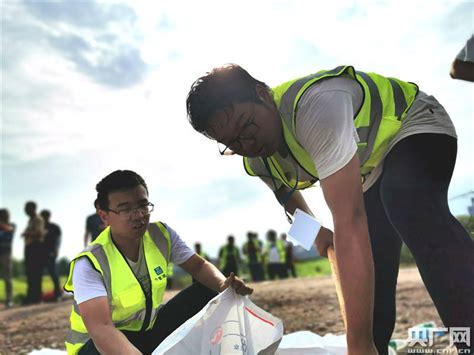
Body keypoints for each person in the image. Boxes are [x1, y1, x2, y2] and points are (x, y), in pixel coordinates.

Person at [186, 64, 474, 354]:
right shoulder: (257, 159)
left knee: (406, 202)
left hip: (415, 123)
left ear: (263, 95)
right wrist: (318, 236)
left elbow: (349, 220)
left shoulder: (315, 107)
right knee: (374, 259)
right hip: (372, 170)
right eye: (231, 144)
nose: (246, 145)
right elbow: (288, 201)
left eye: (246, 127)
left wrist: (356, 343)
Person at [64, 170, 252, 355]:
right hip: (98, 347)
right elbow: (101, 329)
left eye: (143, 205)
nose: (138, 215)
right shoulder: (90, 263)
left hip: (145, 332)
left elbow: (199, 266)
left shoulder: (160, 235)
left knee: (208, 290)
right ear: (104, 216)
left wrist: (223, 285)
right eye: (125, 209)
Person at [22, 201, 46, 305]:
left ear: (32, 209)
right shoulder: (30, 220)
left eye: (27, 208)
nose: (25, 210)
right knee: (30, 272)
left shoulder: (38, 219)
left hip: (36, 247)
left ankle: (37, 297)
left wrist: (26, 233)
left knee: (36, 272)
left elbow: (39, 233)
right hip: (30, 247)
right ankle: (31, 296)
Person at [40, 209, 62, 301]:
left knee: (53, 274)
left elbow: (58, 239)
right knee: (39, 274)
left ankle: (57, 295)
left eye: (45, 216)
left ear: (48, 216)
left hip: (51, 252)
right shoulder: (40, 227)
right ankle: (39, 295)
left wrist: (56, 249)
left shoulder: (54, 227)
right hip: (40, 253)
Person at [0, 209, 15, 307]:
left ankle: (9, 299)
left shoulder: (12, 225)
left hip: (6, 254)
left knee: (7, 278)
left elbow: (9, 229)